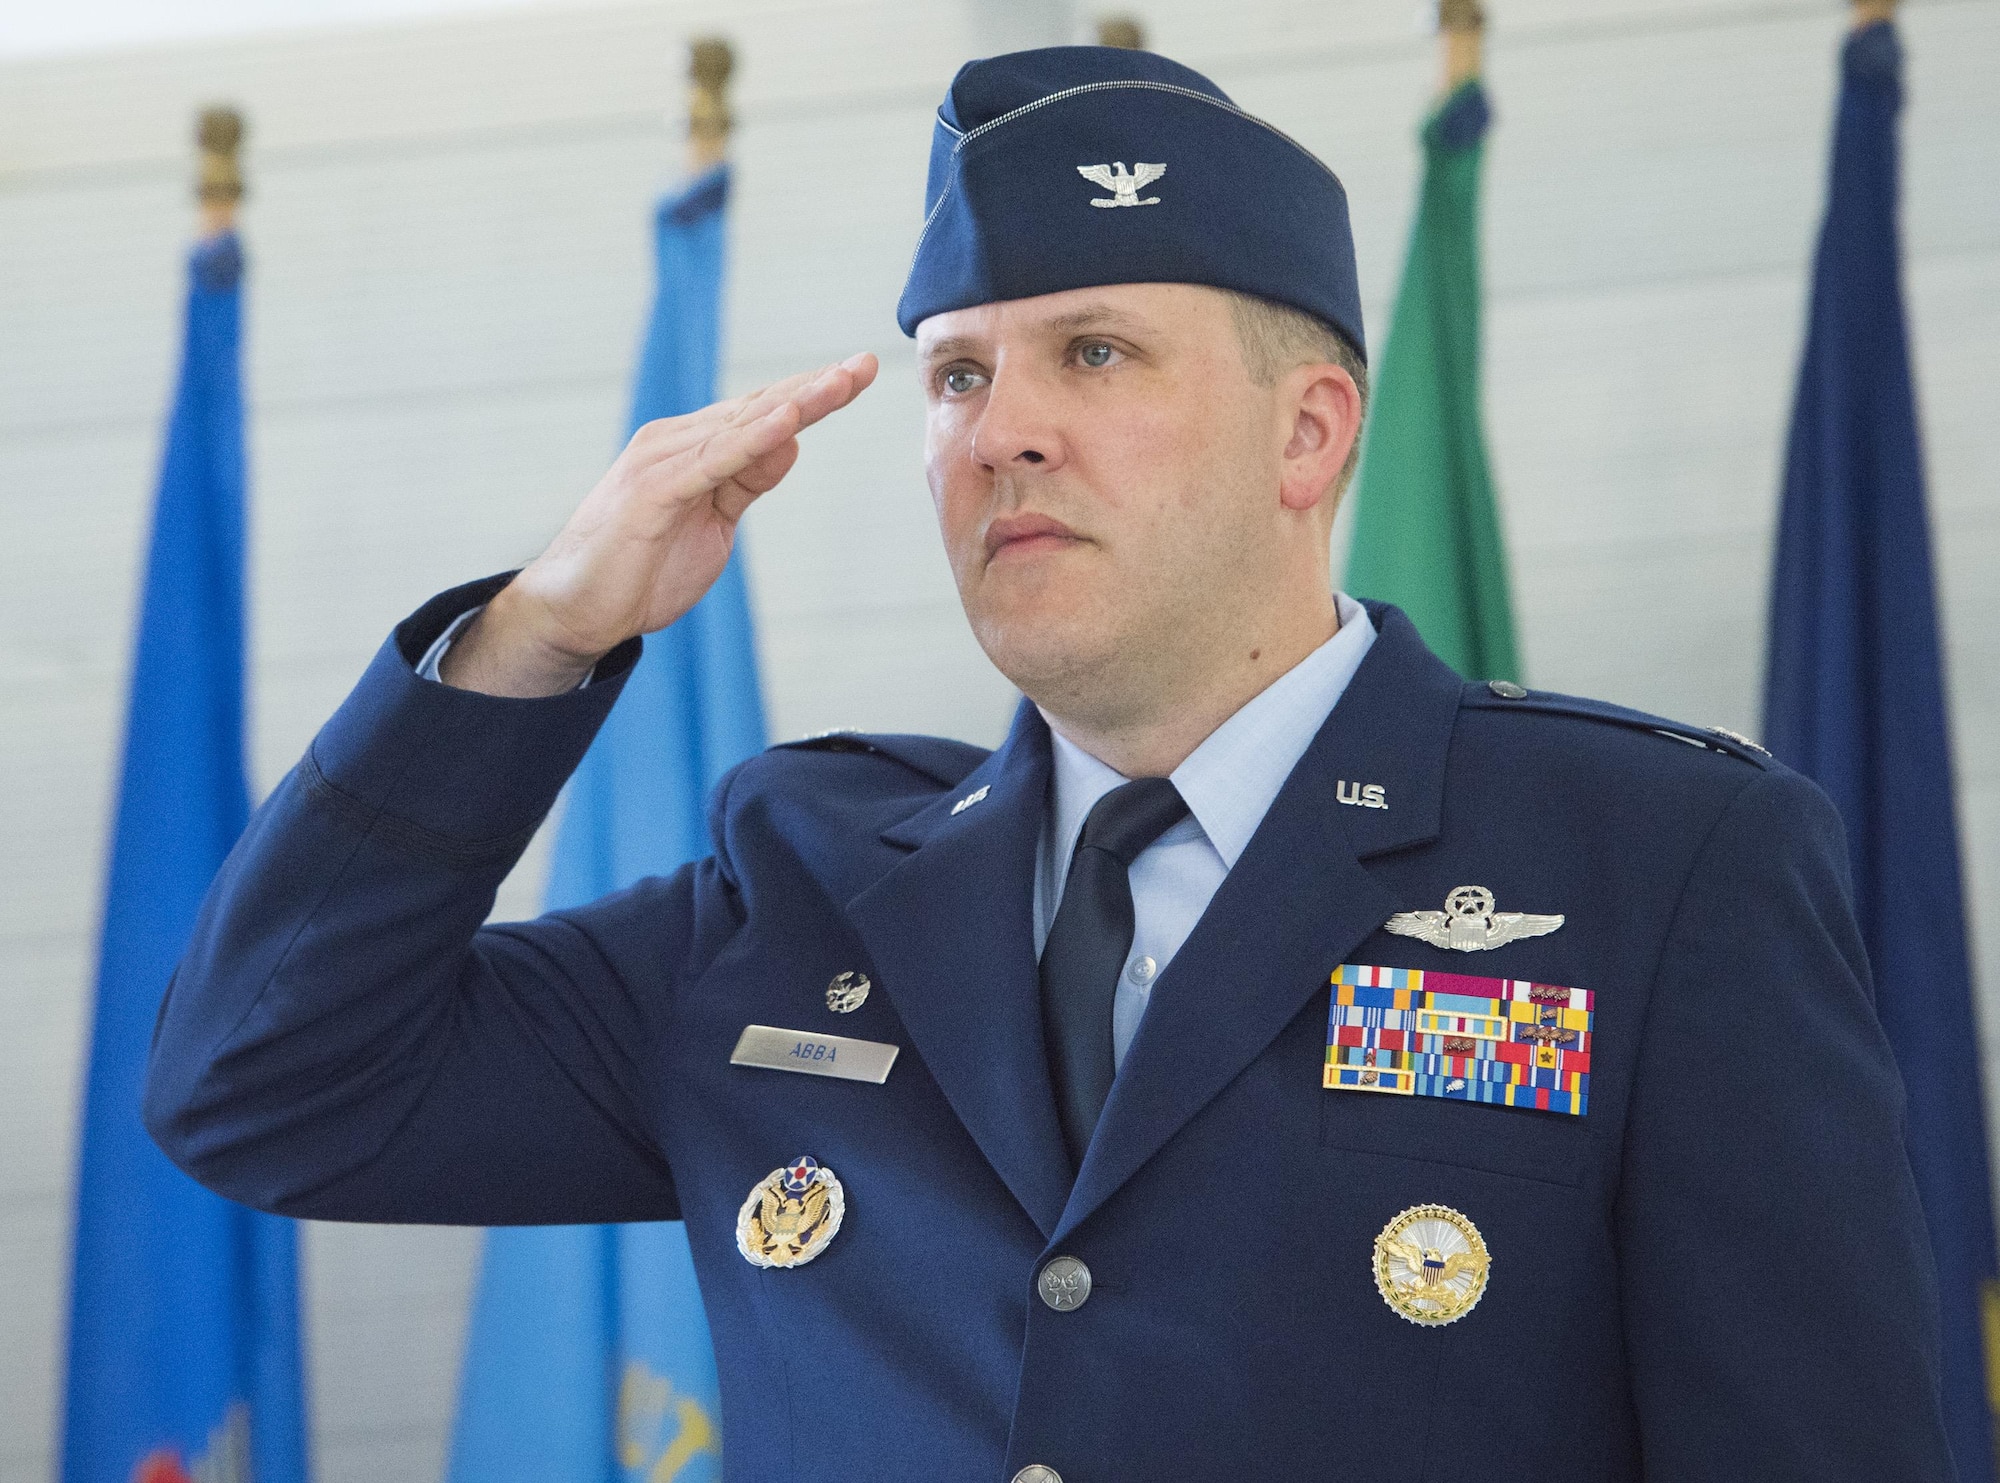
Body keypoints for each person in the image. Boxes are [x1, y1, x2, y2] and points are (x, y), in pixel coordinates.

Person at [146, 45, 1953, 1482]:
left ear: (1309, 434)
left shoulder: (1657, 868)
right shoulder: (795, 895)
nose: (1002, 432)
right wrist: (538, 633)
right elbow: (262, 1085)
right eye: (954, 380)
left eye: (1093, 354)